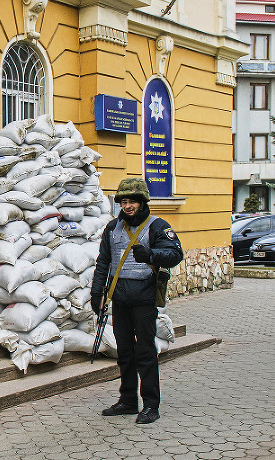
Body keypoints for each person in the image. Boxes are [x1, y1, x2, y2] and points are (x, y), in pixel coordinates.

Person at [90, 177, 183, 424]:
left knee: (145, 353)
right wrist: (96, 293)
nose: (127, 206)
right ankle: (128, 401)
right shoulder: (112, 228)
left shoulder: (157, 226)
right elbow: (103, 262)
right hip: (119, 299)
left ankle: (151, 405)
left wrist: (151, 254)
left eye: (132, 201)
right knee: (125, 353)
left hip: (144, 300)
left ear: (142, 202)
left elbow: (175, 254)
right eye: (124, 201)